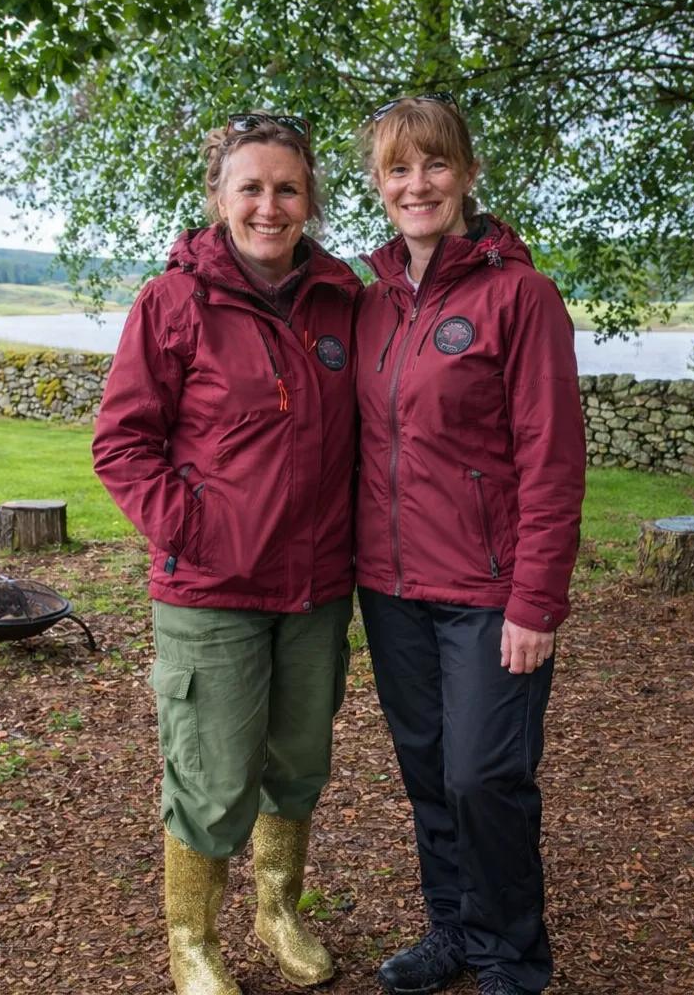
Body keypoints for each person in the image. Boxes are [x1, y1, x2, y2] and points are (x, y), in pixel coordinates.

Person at [91, 112, 362, 995]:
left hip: (316, 587)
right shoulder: (174, 302)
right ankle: (193, 942)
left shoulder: (341, 299)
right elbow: (122, 445)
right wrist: (201, 533)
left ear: (310, 199)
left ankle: (278, 910)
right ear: (219, 197)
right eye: (251, 188)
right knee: (211, 778)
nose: (269, 206)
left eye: (288, 188)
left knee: (297, 765)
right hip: (212, 590)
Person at [353, 93, 588, 995]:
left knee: (485, 776)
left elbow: (552, 459)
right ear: (379, 185)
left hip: (491, 589)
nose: (418, 185)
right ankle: (451, 928)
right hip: (391, 588)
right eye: (398, 169)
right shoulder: (371, 304)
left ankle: (509, 960)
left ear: (468, 175)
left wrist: (537, 601)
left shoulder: (521, 296)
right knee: (429, 774)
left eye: (436, 164)